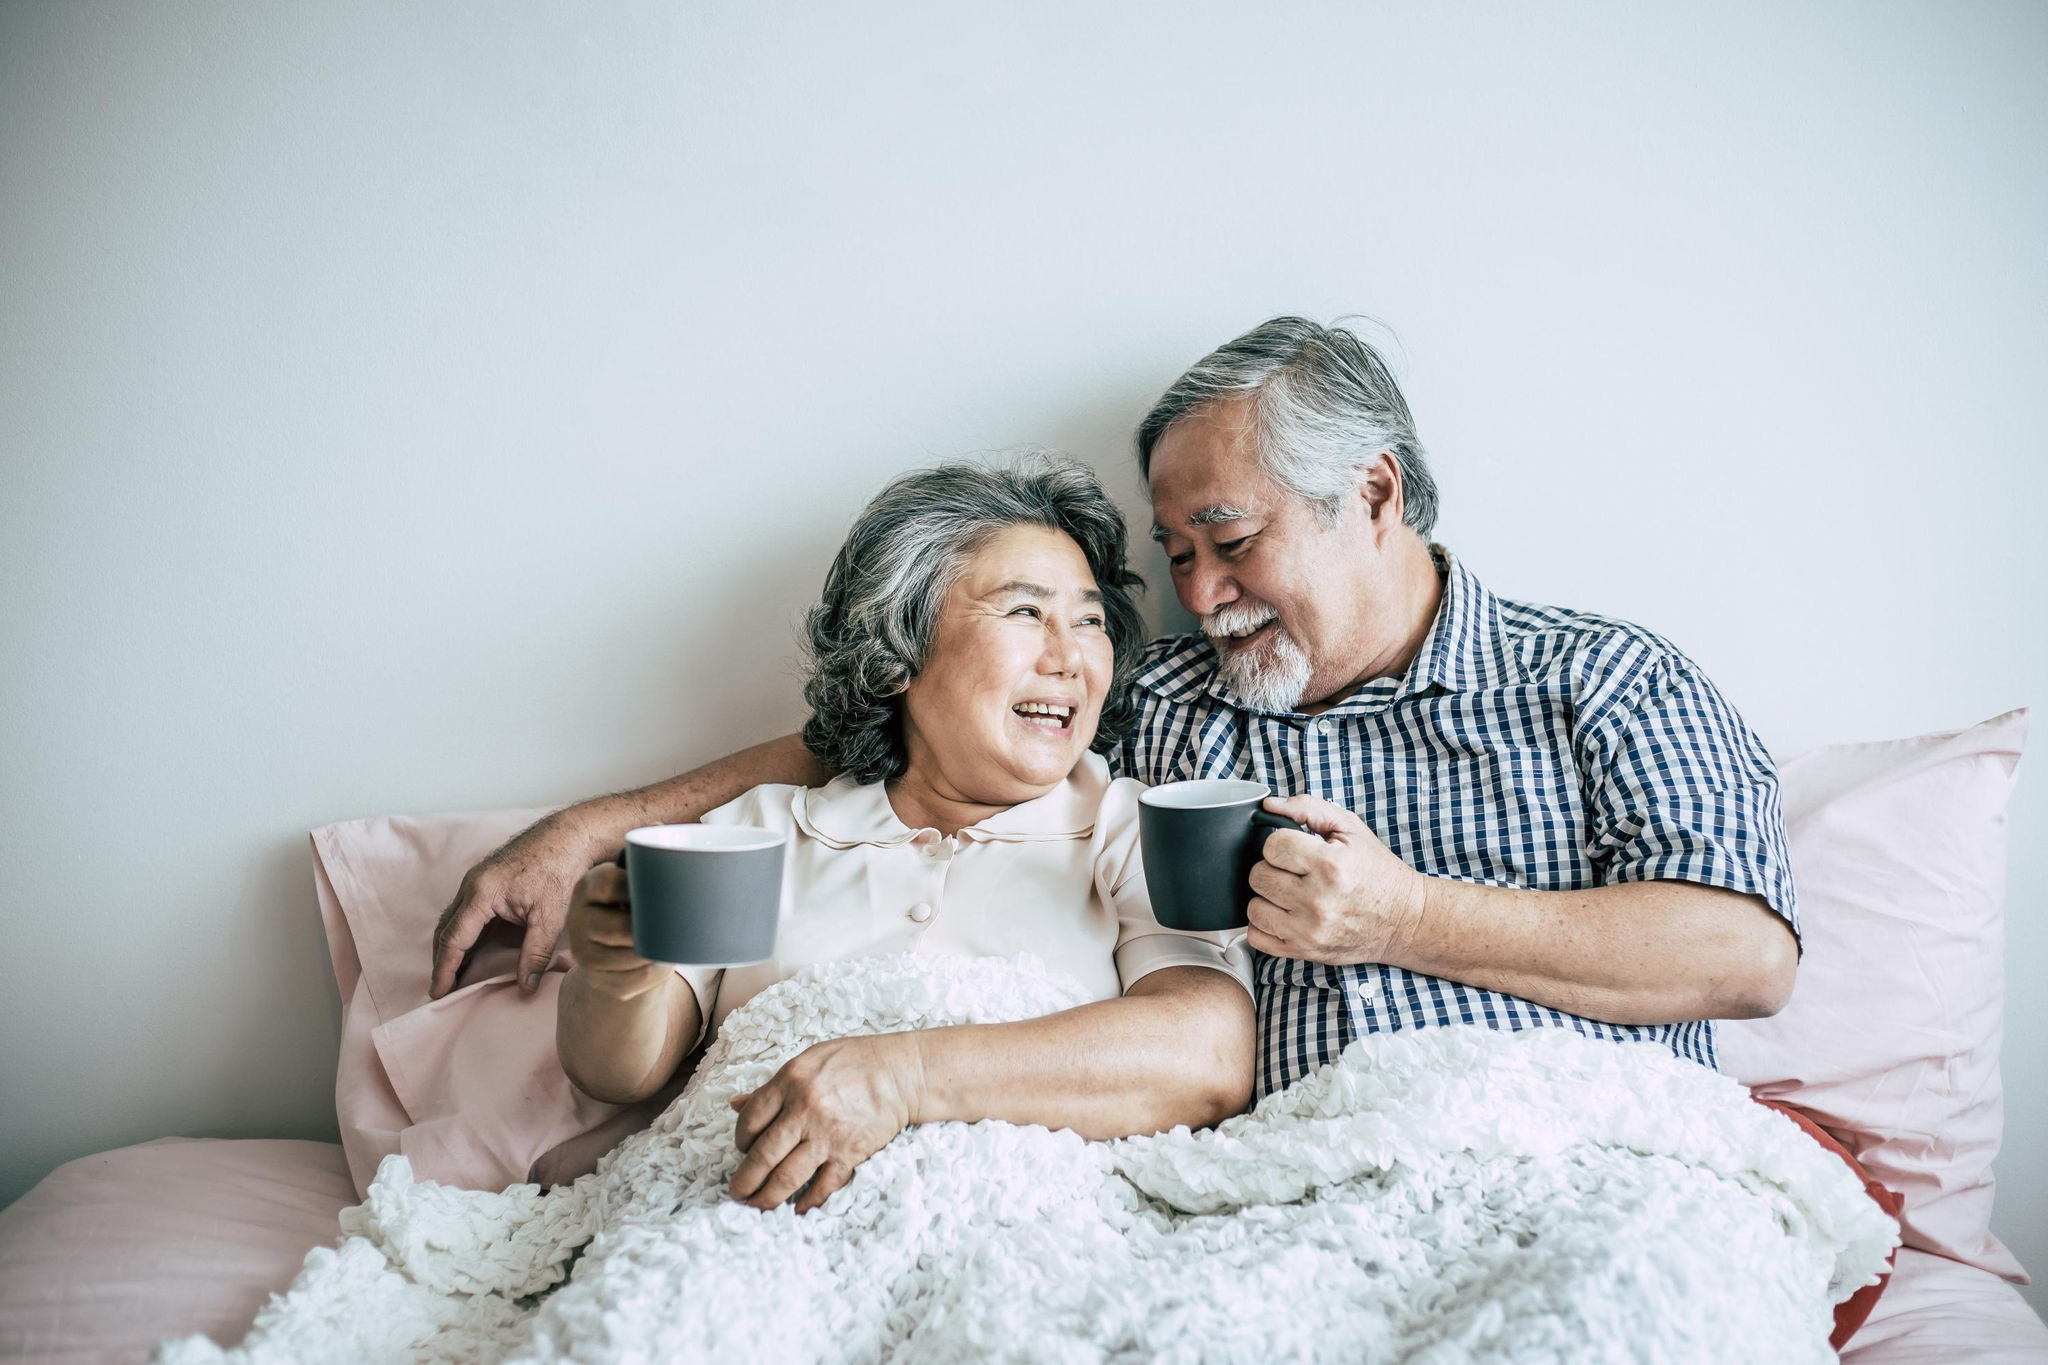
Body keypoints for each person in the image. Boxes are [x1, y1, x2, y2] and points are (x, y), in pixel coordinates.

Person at [436, 315, 1798, 1116]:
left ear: (1374, 495)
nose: (1196, 595)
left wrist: (1404, 917)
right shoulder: (1164, 696)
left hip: (1581, 1139)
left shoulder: (1604, 681)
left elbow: (1743, 954)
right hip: (1276, 1199)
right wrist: (595, 833)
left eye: (1228, 538)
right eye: (1174, 555)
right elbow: (901, 738)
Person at [552, 457, 1254, 1212]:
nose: (1070, 658)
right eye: (1025, 613)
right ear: (898, 654)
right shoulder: (763, 830)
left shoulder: (1129, 830)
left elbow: (1206, 1056)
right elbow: (620, 1074)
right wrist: (616, 978)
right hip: (753, 1228)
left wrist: (904, 1077)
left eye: (1089, 621)